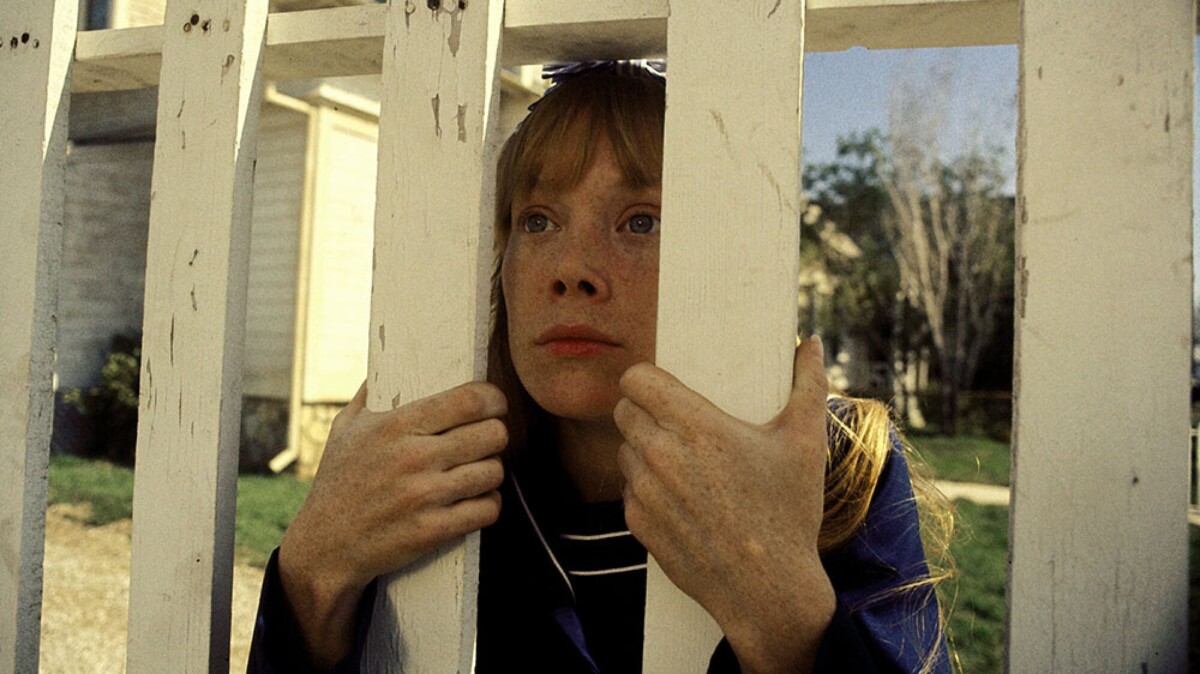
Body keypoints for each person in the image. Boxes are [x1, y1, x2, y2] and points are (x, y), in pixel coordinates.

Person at [248, 61, 952, 674]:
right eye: (539, 221)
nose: (572, 272)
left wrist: (786, 622)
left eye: (641, 221)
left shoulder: (841, 467)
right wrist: (312, 573)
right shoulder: (431, 475)